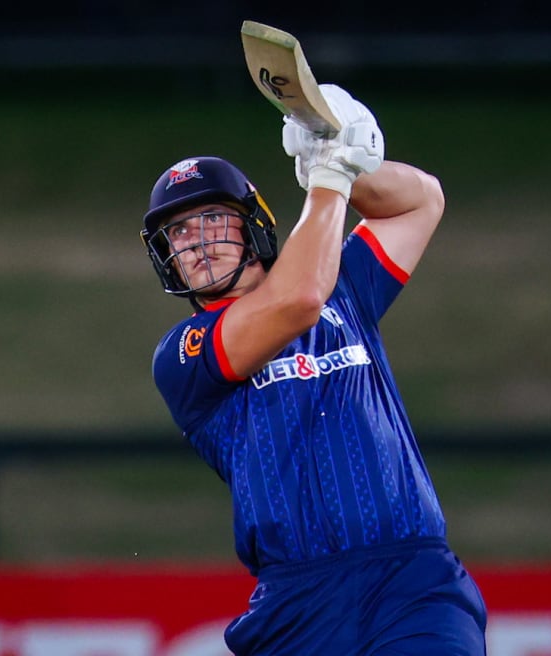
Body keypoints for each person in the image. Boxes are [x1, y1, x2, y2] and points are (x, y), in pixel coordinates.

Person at [140, 84, 487, 655]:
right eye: (177, 231)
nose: (195, 242)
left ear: (254, 225)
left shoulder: (343, 287)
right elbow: (298, 299)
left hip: (412, 581)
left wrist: (349, 165)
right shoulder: (183, 353)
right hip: (296, 605)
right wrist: (329, 178)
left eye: (213, 219)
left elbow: (422, 200)